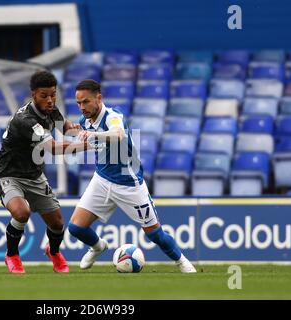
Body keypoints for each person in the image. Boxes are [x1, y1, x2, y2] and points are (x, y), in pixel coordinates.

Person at [68, 79, 197, 273]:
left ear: (99, 98)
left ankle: (182, 261)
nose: (82, 107)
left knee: (155, 235)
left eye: (85, 102)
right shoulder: (83, 121)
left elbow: (117, 134)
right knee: (76, 228)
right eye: (78, 103)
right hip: (102, 180)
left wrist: (94, 136)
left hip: (129, 184)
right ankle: (97, 247)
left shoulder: (113, 115)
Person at [0, 70, 87, 274]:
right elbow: (52, 147)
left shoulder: (51, 109)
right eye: (44, 95)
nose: (50, 100)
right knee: (22, 212)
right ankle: (12, 255)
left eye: (53, 94)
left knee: (57, 223)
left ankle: (53, 252)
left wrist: (86, 129)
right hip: (9, 175)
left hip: (34, 176)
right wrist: (86, 146)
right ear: (33, 94)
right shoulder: (25, 120)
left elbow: (66, 128)